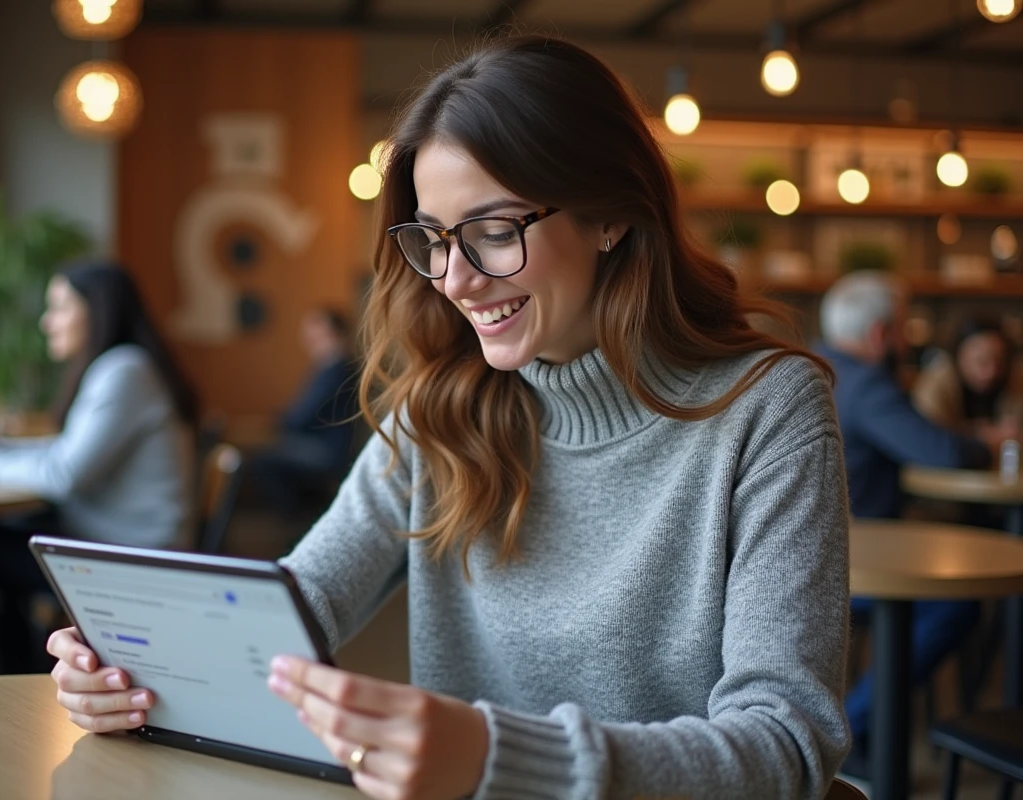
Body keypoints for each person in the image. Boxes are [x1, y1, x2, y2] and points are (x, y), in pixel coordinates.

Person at [44, 36, 850, 799]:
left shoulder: (766, 409)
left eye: (494, 232)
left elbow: (787, 744)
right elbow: (298, 603)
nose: (455, 280)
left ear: (611, 215)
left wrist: (501, 758)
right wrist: (136, 669)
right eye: (432, 240)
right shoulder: (438, 408)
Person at [0, 261, 198, 672]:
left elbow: (63, 475)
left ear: (97, 310)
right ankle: (12, 668)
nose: (47, 322)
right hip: (112, 540)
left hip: (131, 558)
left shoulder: (124, 371)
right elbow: (66, 451)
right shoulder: (123, 368)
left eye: (59, 307)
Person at [814, 271, 1001, 776]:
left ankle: (857, 724)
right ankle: (849, 730)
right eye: (901, 329)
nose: (905, 341)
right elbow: (939, 451)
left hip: (810, 552)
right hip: (855, 561)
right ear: (880, 333)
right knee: (956, 605)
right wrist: (988, 442)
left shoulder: (808, 364)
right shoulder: (867, 383)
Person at [246, 307, 360, 516]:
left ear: (331, 332)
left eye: (315, 328)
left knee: (262, 461)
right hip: (322, 445)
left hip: (327, 450)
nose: (307, 336)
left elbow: (303, 417)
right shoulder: (330, 367)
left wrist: (275, 424)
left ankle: (300, 517)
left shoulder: (336, 368)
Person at [913, 317, 1021, 434]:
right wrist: (982, 433)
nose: (991, 371)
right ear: (958, 358)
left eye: (999, 361)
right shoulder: (935, 386)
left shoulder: (1016, 380)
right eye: (981, 361)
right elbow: (929, 435)